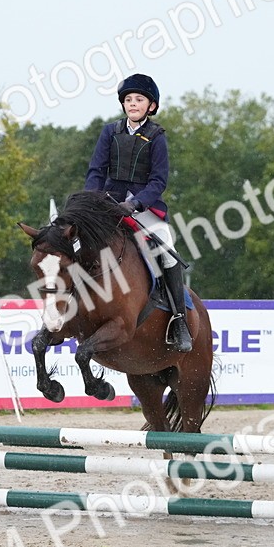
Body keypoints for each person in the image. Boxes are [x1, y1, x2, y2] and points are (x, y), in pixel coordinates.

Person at [83, 73, 191, 352]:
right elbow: (96, 171)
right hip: (108, 204)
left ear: (150, 106)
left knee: (167, 249)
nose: (133, 103)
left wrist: (135, 204)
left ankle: (179, 320)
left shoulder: (157, 136)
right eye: (128, 99)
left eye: (139, 99)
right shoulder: (110, 132)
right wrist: (91, 201)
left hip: (143, 207)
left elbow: (158, 181)